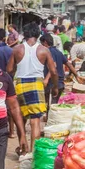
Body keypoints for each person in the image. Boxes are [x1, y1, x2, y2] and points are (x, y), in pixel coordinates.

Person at [7, 22, 58, 151]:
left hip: (20, 84)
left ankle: (23, 149)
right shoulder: (43, 50)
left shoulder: (17, 49)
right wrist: (55, 87)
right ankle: (33, 153)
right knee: (35, 121)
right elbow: (53, 71)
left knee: (21, 120)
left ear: (24, 34)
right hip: (36, 84)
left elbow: (9, 69)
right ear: (38, 34)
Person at [40, 33, 82, 104]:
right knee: (54, 104)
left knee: (49, 104)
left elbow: (53, 66)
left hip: (52, 83)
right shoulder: (59, 52)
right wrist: (76, 75)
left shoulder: (48, 52)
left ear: (45, 42)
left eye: (41, 44)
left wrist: (46, 79)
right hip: (60, 84)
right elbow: (69, 64)